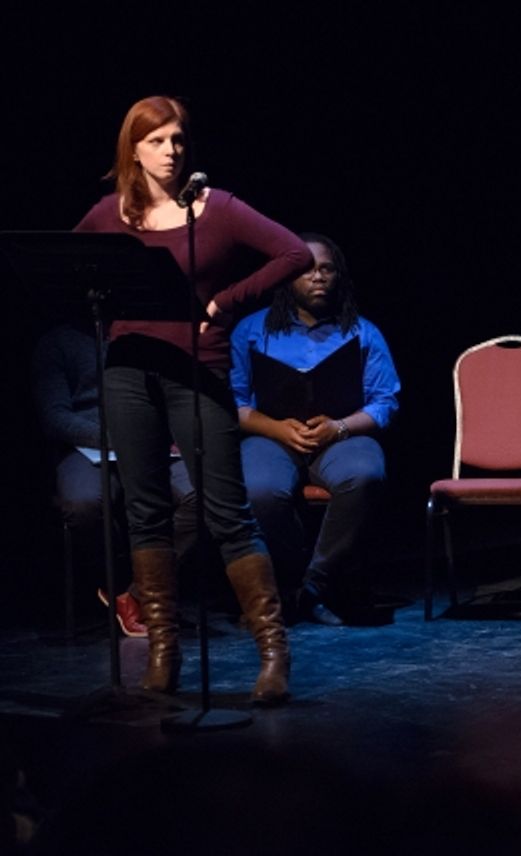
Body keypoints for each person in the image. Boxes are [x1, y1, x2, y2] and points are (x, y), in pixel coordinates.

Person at [74, 95, 311, 704]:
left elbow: (293, 252)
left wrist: (224, 302)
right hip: (129, 372)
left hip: (196, 372)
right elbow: (72, 267)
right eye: (157, 141)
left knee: (228, 512)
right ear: (133, 149)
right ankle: (162, 652)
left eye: (178, 139)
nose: (171, 151)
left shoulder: (217, 209)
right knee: (145, 511)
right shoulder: (111, 214)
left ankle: (272, 653)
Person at [231, 233, 400, 626]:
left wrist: (339, 427)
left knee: (365, 475)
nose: (318, 277)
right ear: (287, 276)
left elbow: (385, 402)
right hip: (272, 434)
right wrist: (275, 428)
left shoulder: (362, 332)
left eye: (327, 269)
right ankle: (290, 583)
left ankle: (313, 585)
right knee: (259, 490)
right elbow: (233, 402)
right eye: (307, 269)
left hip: (340, 435)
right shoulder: (252, 330)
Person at [32, 322, 197, 637]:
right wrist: (115, 439)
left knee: (201, 495)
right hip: (89, 446)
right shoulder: (59, 341)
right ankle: (119, 586)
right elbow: (55, 417)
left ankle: (138, 592)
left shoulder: (149, 335)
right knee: (83, 503)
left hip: (153, 443)